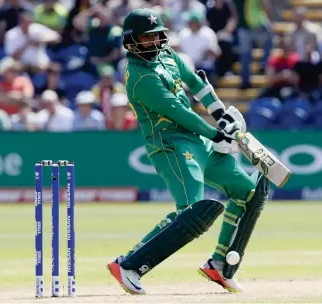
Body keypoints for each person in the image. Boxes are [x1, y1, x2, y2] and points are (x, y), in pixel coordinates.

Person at [106, 8, 270, 295]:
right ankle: (129, 264)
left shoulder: (167, 55)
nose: (155, 42)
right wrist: (217, 134)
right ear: (131, 42)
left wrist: (221, 115)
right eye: (148, 38)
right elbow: (179, 112)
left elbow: (196, 84)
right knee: (192, 213)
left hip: (198, 140)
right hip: (171, 145)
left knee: (249, 191)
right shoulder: (140, 78)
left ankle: (221, 265)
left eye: (158, 36)